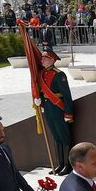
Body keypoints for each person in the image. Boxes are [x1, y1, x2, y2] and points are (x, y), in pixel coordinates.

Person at [37, 47, 75, 175]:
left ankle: (67, 165)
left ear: (52, 60)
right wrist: (39, 100)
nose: (42, 60)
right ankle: (60, 163)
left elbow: (67, 95)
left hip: (59, 109)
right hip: (48, 108)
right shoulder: (42, 74)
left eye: (45, 58)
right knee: (56, 137)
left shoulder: (59, 74)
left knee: (64, 137)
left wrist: (68, 113)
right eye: (42, 58)